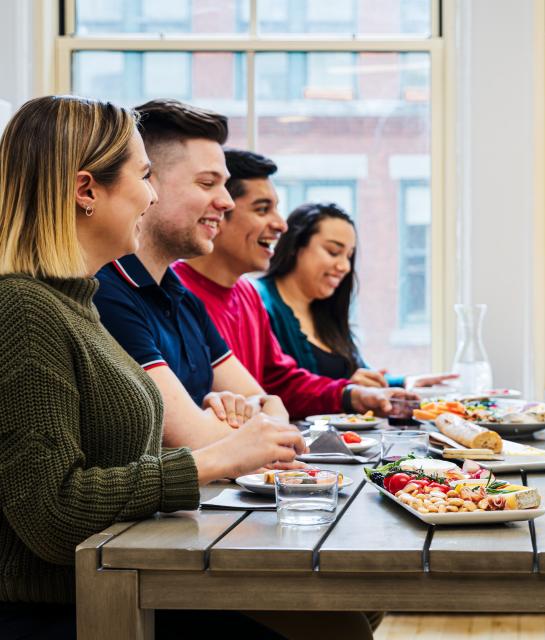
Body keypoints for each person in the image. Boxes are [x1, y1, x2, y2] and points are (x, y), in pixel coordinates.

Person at [0, 95, 307, 638]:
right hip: (81, 606)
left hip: (130, 576)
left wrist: (223, 440)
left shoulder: (75, 303)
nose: (151, 194)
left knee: (338, 620)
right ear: (86, 190)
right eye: (144, 176)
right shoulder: (25, 311)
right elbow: (52, 513)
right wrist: (213, 461)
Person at [94, 98, 294, 451]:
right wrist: (241, 424)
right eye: (207, 184)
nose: (227, 202)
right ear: (147, 183)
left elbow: (270, 408)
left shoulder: (184, 298)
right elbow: (191, 440)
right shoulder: (106, 291)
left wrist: (240, 417)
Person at [171, 149, 411, 420]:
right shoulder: (176, 295)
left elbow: (282, 382)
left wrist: (351, 395)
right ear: (220, 211)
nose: (281, 224)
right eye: (262, 209)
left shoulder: (247, 293)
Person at [254, 198, 457, 389]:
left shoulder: (325, 311)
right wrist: (347, 392)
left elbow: (359, 377)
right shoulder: (258, 301)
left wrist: (405, 383)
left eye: (349, 256)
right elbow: (284, 390)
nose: (344, 266)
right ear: (295, 246)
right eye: (333, 252)